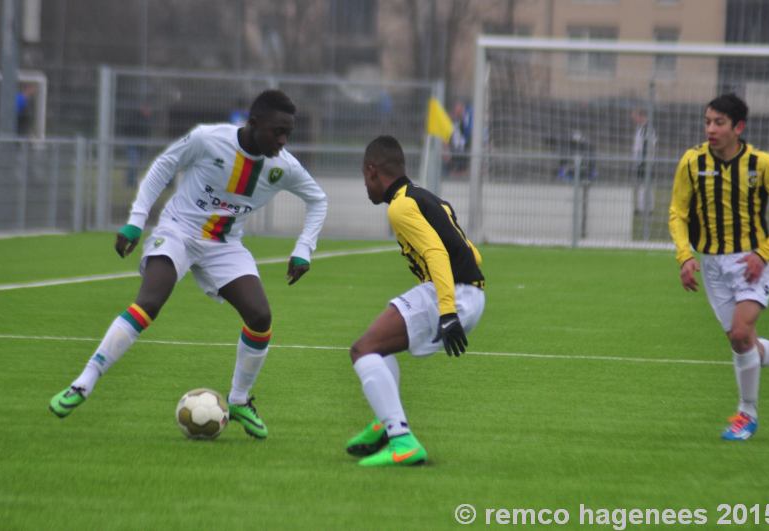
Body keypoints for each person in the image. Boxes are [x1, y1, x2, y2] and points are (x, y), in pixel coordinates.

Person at [49, 89, 328, 439]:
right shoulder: (207, 139)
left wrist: (304, 248)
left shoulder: (283, 166)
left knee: (260, 317)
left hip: (224, 244)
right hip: (178, 231)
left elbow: (318, 200)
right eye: (278, 131)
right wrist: (136, 220)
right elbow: (164, 166)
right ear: (254, 123)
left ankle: (239, 400)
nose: (283, 140)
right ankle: (83, 383)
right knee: (150, 301)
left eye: (289, 132)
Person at [346, 135, 485, 466]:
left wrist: (447, 310)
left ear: (372, 171)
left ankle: (401, 440)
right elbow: (472, 253)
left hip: (451, 294)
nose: (366, 187)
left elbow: (436, 252)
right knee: (375, 348)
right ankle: (384, 423)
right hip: (468, 292)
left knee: (361, 351)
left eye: (365, 179)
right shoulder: (427, 198)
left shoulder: (400, 207)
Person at [668, 93, 769, 441]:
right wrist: (684, 256)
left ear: (738, 127)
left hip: (751, 260)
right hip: (713, 264)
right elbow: (678, 212)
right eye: (707, 122)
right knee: (740, 340)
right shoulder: (691, 161)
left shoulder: (761, 164)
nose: (711, 129)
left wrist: (764, 253)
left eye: (719, 123)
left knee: (741, 331)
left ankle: (747, 414)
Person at [631, 107, 657, 213]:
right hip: (642, 162)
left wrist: (643, 161)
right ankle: (647, 208)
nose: (634, 119)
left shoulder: (646, 129)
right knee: (645, 185)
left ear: (641, 116)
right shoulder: (642, 129)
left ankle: (644, 208)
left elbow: (647, 146)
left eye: (636, 116)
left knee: (645, 185)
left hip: (645, 162)